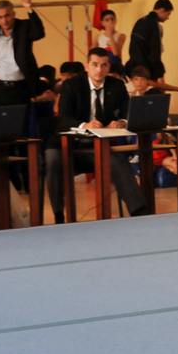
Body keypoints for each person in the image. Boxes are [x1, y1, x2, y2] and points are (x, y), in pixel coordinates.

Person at [45, 47, 146, 223]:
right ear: (87, 66)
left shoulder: (116, 86)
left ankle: (139, 212)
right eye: (95, 65)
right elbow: (63, 119)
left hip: (96, 147)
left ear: (108, 67)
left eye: (104, 65)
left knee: (118, 161)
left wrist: (121, 121)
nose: (99, 70)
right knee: (52, 158)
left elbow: (128, 112)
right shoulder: (71, 85)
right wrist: (85, 125)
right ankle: (58, 215)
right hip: (68, 145)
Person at [0, 0, 45, 108]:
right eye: (0, 17)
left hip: (21, 86)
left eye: (7, 15)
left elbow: (39, 33)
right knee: (0, 123)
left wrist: (29, 8)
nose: (4, 20)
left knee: (22, 123)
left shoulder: (24, 26)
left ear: (13, 14)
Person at [125, 0, 173, 82]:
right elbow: (155, 51)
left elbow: (134, 47)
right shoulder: (154, 25)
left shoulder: (140, 21)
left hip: (135, 67)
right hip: (147, 71)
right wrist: (158, 73)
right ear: (162, 10)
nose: (168, 18)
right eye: (168, 14)